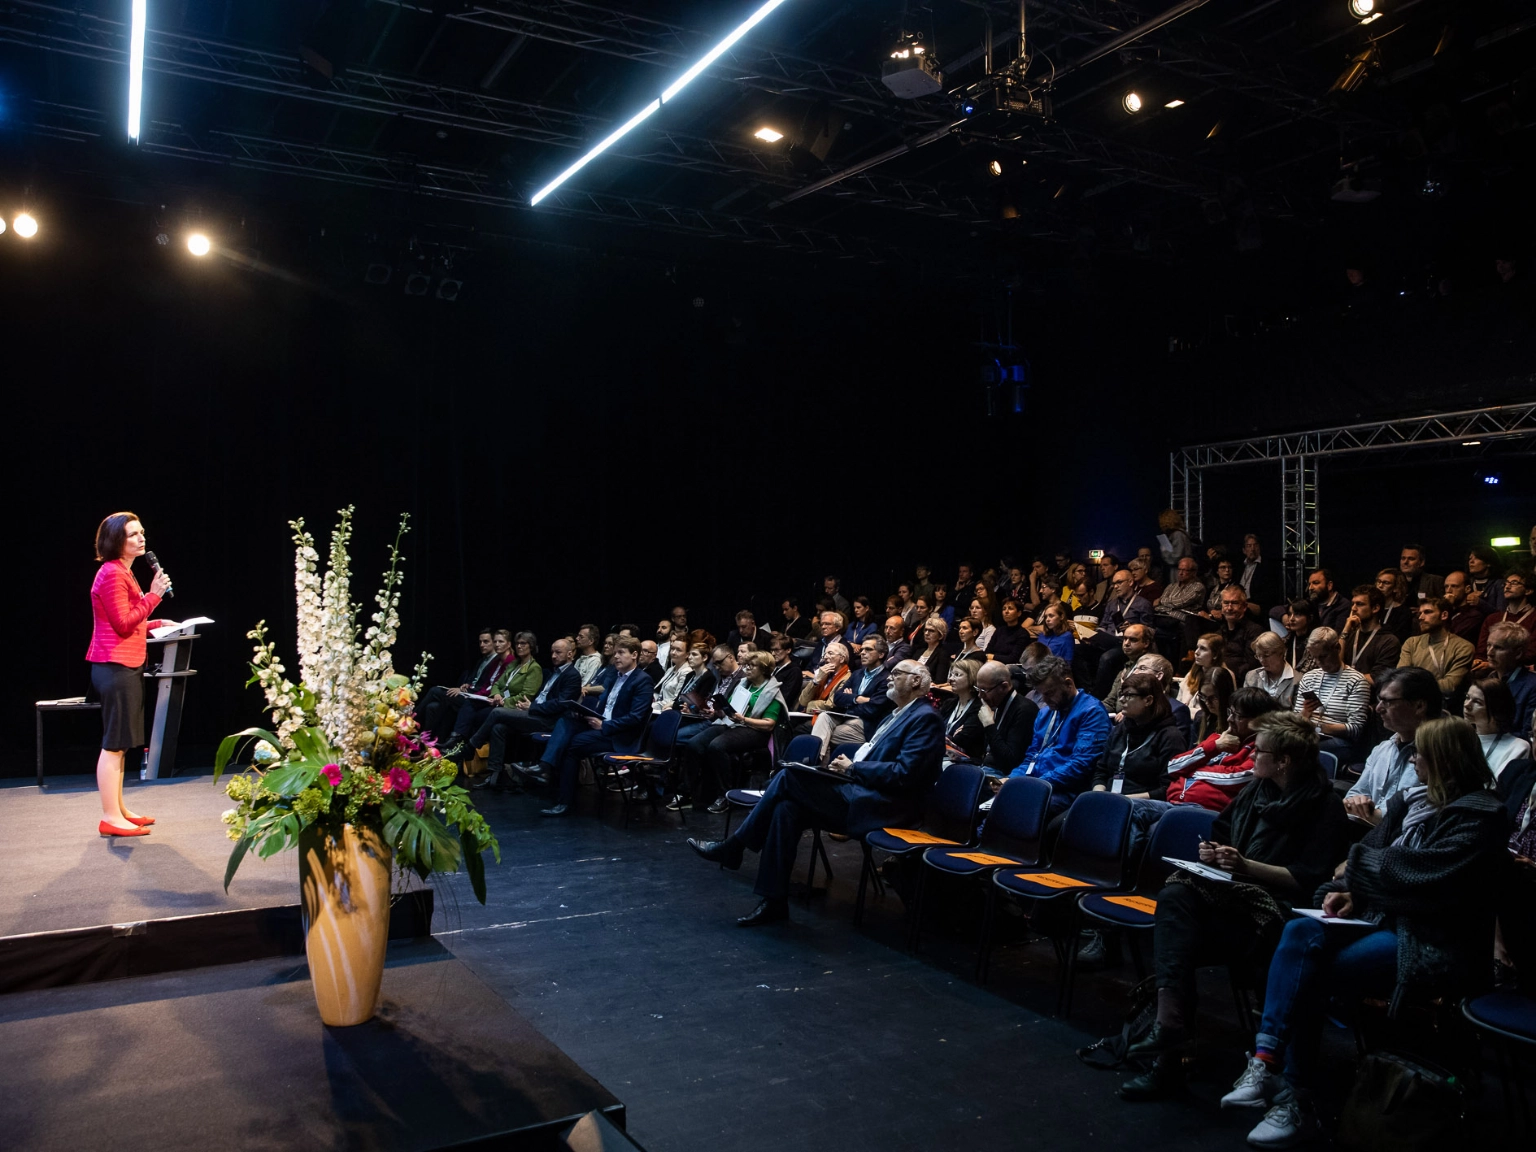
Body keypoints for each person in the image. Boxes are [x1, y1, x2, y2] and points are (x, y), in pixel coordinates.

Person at [1220, 717, 1507, 1147]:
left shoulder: (1484, 816)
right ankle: (1265, 1060)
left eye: (1421, 752)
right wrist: (1351, 888)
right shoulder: (1415, 803)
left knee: (1315, 971)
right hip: (1382, 919)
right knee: (1300, 932)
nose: (1413, 758)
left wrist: (1360, 874)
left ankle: (1294, 1094)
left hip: (1431, 940)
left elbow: (1420, 877)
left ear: (1445, 759)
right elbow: (1372, 861)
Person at [1119, 713, 1348, 1102]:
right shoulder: (1256, 791)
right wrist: (1211, 855)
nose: (1250, 754)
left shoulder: (1324, 806)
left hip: (1276, 911)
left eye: (1259, 751)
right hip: (1232, 896)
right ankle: (1169, 1032)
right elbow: (1222, 833)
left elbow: (1309, 880)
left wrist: (1246, 866)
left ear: (1284, 761)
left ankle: (1168, 1052)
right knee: (1177, 900)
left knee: (1178, 927)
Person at [686, 660, 944, 927]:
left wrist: (855, 768)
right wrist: (848, 770)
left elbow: (906, 773)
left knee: (789, 776)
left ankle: (736, 846)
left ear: (916, 682)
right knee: (787, 809)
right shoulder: (897, 714)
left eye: (897, 674)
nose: (889, 678)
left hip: (885, 806)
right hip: (861, 792)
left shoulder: (925, 717)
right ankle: (773, 902)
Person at [87, 512, 174, 837]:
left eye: (142, 532)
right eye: (133, 534)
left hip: (125, 662)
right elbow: (122, 624)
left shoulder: (123, 572)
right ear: (116, 541)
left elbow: (126, 620)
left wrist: (154, 624)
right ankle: (110, 816)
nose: (141, 539)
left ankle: (119, 809)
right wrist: (154, 596)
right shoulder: (111, 573)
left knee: (121, 743)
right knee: (113, 744)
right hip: (114, 665)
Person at [534, 637, 653, 817]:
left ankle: (563, 801)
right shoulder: (614, 676)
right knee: (567, 720)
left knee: (573, 746)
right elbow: (604, 706)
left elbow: (635, 718)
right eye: (615, 654)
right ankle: (545, 766)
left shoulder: (643, 680)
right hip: (602, 726)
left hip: (619, 736)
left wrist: (604, 725)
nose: (616, 658)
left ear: (634, 655)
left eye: (621, 653)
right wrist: (586, 714)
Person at [684, 651, 786, 814]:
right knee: (694, 744)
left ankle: (725, 795)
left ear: (764, 669)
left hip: (755, 730)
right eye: (746, 665)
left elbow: (769, 724)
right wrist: (716, 712)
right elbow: (729, 709)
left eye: (751, 666)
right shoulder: (743, 684)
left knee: (717, 746)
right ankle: (695, 793)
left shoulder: (772, 692)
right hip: (733, 723)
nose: (746, 669)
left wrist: (744, 720)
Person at [475, 636, 582, 791]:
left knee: (497, 712)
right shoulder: (554, 672)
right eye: (552, 652)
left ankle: (471, 746)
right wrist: (527, 707)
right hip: (535, 714)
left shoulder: (572, 675)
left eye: (558, 652)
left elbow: (559, 704)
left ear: (570, 654)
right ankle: (495, 775)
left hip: (548, 720)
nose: (553, 656)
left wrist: (531, 707)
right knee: (499, 727)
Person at [1010, 655, 1111, 817]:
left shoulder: (1092, 712)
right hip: (1038, 783)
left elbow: (1082, 764)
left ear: (1068, 683)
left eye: (1049, 693)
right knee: (995, 796)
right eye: (1041, 694)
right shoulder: (1045, 713)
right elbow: (1032, 755)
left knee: (1018, 807)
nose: (1044, 699)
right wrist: (1013, 779)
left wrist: (1039, 783)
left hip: (1067, 791)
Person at [1343, 666, 1443, 826]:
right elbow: (1353, 794)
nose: (1378, 708)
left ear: (1419, 706)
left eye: (1387, 702)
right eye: (1379, 700)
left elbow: (1419, 820)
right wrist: (1356, 801)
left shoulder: (1440, 755)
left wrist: (1369, 814)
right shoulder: (1382, 749)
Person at [1162, 687, 1281, 813]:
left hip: (1204, 810)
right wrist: (1215, 747)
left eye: (1237, 716)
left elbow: (1238, 778)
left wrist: (1191, 771)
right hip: (1172, 803)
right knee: (1138, 808)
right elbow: (1173, 767)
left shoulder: (1259, 750)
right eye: (1230, 712)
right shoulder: (1217, 740)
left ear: (1258, 720)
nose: (1229, 719)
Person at [443, 630, 542, 759]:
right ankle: (457, 741)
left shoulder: (534, 668)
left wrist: (503, 701)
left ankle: (467, 749)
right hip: (498, 702)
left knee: (479, 716)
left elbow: (526, 696)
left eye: (523, 643)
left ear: (531, 646)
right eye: (517, 643)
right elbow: (497, 684)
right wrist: (496, 695)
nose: (519, 646)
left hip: (513, 707)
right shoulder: (514, 664)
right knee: (471, 705)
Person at [1088, 672, 1186, 798]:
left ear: (1148, 700)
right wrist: (1099, 793)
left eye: (1129, 695)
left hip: (1144, 806)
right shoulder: (1121, 729)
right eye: (1121, 694)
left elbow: (1168, 789)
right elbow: (1101, 771)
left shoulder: (1170, 737)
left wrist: (1120, 801)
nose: (1122, 700)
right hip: (1109, 799)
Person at [1292, 627, 1372, 766]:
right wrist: (1305, 713)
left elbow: (1355, 728)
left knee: (1300, 750)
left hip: (1339, 740)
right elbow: (1296, 720)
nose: (1318, 662)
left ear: (1337, 648)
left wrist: (1317, 727)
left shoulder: (1356, 681)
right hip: (1308, 734)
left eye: (1323, 656)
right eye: (1314, 657)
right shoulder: (1309, 677)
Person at [810, 637, 892, 762]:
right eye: (862, 649)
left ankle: (814, 762)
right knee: (823, 717)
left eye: (868, 649)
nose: (862, 652)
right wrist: (858, 699)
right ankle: (816, 763)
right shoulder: (857, 673)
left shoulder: (887, 679)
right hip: (845, 716)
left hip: (864, 724)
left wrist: (849, 700)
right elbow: (838, 698)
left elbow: (873, 709)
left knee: (824, 734)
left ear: (881, 654)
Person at [414, 627, 498, 737]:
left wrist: (466, 689)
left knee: (435, 690)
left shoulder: (497, 661)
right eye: (480, 642)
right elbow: (474, 679)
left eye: (486, 641)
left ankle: (412, 720)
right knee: (432, 706)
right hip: (468, 692)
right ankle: (428, 741)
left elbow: (486, 686)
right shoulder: (482, 660)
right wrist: (466, 684)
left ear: (494, 643)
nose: (482, 645)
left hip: (475, 698)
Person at [1397, 596, 1474, 703]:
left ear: (1444, 615)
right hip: (1412, 705)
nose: (1421, 617)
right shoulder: (1412, 643)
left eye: (1427, 612)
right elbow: (1401, 677)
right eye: (1420, 613)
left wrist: (1413, 687)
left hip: (1445, 707)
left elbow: (1450, 685)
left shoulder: (1463, 647)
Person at [975, 659, 1040, 775]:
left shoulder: (1025, 710)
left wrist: (989, 726)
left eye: (984, 690)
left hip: (1004, 774)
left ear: (1004, 686)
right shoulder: (996, 703)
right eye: (978, 689)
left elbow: (1009, 760)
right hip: (985, 767)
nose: (980, 696)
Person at [1463, 677, 1530, 779]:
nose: (1467, 705)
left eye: (1477, 702)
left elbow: (1499, 785)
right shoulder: (1460, 738)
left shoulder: (1518, 747)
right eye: (1467, 697)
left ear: (1497, 709)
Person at [1476, 571, 1536, 669]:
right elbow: (1481, 652)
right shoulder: (1492, 619)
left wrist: (1493, 664)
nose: (1507, 587)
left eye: (1514, 583)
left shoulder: (1533, 618)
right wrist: (1478, 661)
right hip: (1491, 671)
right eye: (1506, 583)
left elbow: (1530, 653)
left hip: (1521, 671)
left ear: (1528, 590)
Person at [1340, 584, 1400, 683]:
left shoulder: (1388, 641)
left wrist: (1343, 678)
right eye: (1353, 604)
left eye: (1359, 604)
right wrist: (1345, 631)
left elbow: (1376, 678)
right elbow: (1334, 666)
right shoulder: (1349, 635)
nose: (1353, 609)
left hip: (1369, 695)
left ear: (1375, 608)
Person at [1486, 622, 1536, 734]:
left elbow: (1528, 734)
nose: (1489, 653)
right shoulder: (1487, 680)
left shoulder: (1533, 686)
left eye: (1498, 648)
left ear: (1518, 653)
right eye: (1488, 645)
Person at [939, 661, 987, 760]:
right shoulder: (949, 703)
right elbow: (933, 729)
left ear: (971, 677)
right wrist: (950, 737)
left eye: (957, 675)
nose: (951, 679)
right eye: (951, 674)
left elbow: (962, 739)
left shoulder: (979, 708)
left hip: (964, 761)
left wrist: (943, 737)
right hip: (941, 754)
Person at [1216, 586, 1264, 681]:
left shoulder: (1255, 631)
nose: (1229, 608)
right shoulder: (1219, 632)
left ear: (1244, 607)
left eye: (1234, 603)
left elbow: (1253, 666)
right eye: (1226, 603)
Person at [1245, 632, 1297, 710]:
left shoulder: (1298, 680)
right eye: (1258, 656)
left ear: (1281, 653)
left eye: (1266, 655)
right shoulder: (1251, 676)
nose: (1262, 660)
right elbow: (1245, 708)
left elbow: (1297, 716)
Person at [1441, 571, 1485, 645]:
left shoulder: (1474, 615)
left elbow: (1449, 637)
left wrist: (1447, 607)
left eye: (1454, 586)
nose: (1448, 590)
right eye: (1446, 586)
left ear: (1467, 589)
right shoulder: (1449, 611)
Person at [1194, 667, 1236, 744]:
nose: (1207, 702)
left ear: (1225, 695)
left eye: (1213, 698)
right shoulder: (1200, 718)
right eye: (1203, 696)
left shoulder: (1236, 723)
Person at [985, 598, 1031, 664]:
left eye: (1010, 608)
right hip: (991, 663)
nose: (1006, 612)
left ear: (1019, 613)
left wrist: (992, 657)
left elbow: (1013, 658)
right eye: (1004, 609)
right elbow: (987, 651)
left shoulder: (1023, 634)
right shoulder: (999, 630)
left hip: (1010, 667)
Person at [1375, 569, 1415, 643]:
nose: (1380, 586)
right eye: (1379, 582)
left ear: (1396, 588)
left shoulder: (1403, 613)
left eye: (1386, 583)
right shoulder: (1371, 609)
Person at [913, 616, 952, 683]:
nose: (926, 633)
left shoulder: (942, 654)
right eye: (925, 630)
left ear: (940, 636)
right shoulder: (919, 650)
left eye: (931, 631)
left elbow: (939, 680)